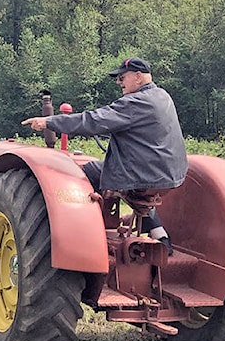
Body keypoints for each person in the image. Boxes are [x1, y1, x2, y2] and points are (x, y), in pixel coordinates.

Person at [21, 57, 188, 252]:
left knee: (91, 170)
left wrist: (49, 122)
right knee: (136, 188)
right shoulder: (162, 96)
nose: (119, 82)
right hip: (170, 173)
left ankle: (88, 233)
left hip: (145, 173)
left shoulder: (135, 102)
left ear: (138, 77)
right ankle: (160, 235)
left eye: (122, 77)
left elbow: (93, 121)